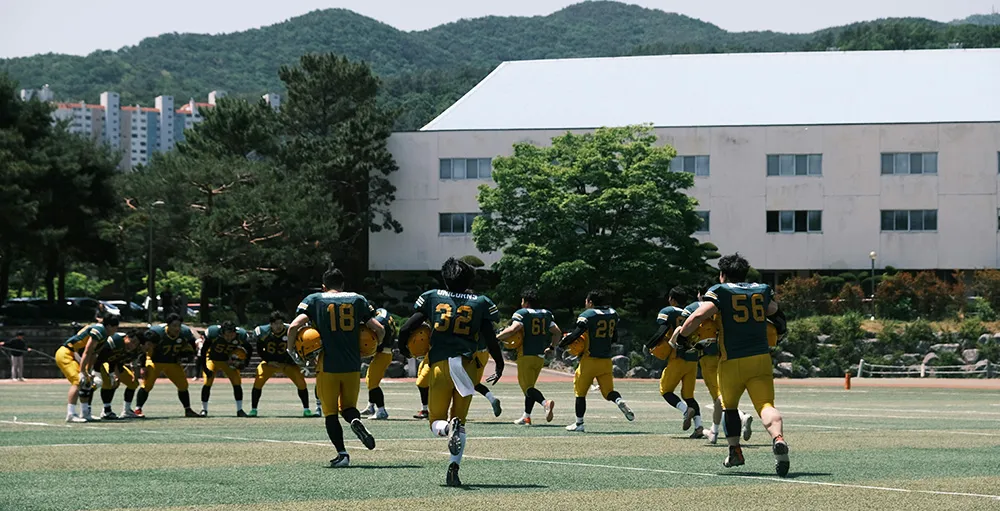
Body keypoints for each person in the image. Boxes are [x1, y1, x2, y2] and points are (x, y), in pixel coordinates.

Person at [671, 253, 789, 477]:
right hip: (760, 358)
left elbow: (699, 315)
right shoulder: (761, 289)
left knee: (730, 408)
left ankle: (735, 451)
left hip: (731, 360)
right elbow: (776, 312)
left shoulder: (720, 290)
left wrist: (683, 336)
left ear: (723, 274)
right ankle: (778, 438)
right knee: (765, 405)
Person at [397, 258, 503, 487]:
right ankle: (454, 468)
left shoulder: (433, 297)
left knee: (435, 420)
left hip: (439, 365)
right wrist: (500, 363)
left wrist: (403, 347)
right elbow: (491, 338)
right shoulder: (480, 301)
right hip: (466, 367)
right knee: (461, 421)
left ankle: (446, 428)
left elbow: (406, 327)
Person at [286, 266, 383, 468]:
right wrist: (374, 348)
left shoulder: (315, 299)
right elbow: (379, 328)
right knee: (348, 408)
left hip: (327, 364)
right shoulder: (357, 299)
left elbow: (295, 326)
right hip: (352, 364)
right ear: (343, 285)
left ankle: (342, 454)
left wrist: (291, 350)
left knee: (330, 413)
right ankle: (355, 421)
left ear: (324, 286)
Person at [559, 290, 635, 432]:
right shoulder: (612, 313)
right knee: (608, 392)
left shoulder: (588, 315)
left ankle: (579, 423)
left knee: (580, 393)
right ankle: (619, 401)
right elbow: (614, 338)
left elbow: (576, 334)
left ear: (591, 302)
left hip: (589, 361)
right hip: (606, 361)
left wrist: (562, 343)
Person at [685, 288, 753, 445]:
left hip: (707, 356)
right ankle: (714, 432)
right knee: (722, 394)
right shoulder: (721, 307)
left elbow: (686, 324)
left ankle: (742, 416)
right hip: (723, 354)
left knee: (718, 396)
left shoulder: (696, 307)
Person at [496, 288, 561, 426]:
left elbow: (514, 329)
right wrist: (552, 347)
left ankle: (545, 403)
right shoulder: (546, 313)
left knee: (527, 388)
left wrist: (496, 338)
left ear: (526, 302)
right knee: (530, 387)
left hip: (526, 354)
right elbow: (557, 332)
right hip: (540, 356)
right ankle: (526, 416)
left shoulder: (523, 313)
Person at [645, 286, 704, 437]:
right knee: (689, 395)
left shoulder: (668, 311)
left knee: (666, 390)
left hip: (676, 357)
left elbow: (662, 330)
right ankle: (699, 427)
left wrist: (649, 344)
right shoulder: (693, 311)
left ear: (672, 299)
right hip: (692, 358)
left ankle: (685, 411)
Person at [135, 313, 201, 418]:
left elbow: (191, 346)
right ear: (168, 325)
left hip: (172, 362)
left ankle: (187, 409)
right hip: (154, 360)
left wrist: (186, 355)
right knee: (147, 385)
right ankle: (138, 409)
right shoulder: (157, 332)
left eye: (179, 325)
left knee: (183, 385)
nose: (177, 328)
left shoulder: (184, 333)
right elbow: (145, 348)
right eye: (174, 326)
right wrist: (143, 365)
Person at [250, 311, 313, 417]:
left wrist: (295, 361)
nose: (278, 326)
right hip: (270, 363)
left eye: (280, 323)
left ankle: (306, 409)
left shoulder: (291, 330)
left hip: (288, 363)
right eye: (275, 323)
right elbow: (260, 349)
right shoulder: (263, 332)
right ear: (271, 324)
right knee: (258, 380)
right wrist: (268, 360)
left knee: (301, 383)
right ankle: (254, 409)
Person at [56, 315, 119, 422]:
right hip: (67, 353)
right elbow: (87, 351)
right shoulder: (99, 330)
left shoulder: (104, 335)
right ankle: (70, 414)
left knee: (87, 382)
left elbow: (94, 354)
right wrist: (82, 371)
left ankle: (85, 413)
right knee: (78, 381)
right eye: (115, 327)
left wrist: (88, 371)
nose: (116, 330)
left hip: (75, 356)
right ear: (108, 326)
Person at [84, 328, 143, 420]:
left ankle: (126, 411)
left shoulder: (137, 349)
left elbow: (131, 362)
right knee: (103, 383)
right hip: (99, 363)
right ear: (126, 337)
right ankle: (96, 411)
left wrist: (134, 375)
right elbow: (95, 354)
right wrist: (89, 370)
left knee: (133, 383)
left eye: (136, 344)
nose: (133, 345)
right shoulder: (115, 340)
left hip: (115, 365)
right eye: (133, 341)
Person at [199, 321, 253, 417]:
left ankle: (240, 410)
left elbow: (249, 349)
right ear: (222, 333)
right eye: (227, 335)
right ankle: (204, 409)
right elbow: (203, 352)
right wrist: (205, 369)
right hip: (212, 359)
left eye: (231, 335)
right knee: (207, 382)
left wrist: (245, 363)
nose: (229, 337)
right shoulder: (213, 333)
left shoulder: (241, 335)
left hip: (228, 361)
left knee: (237, 382)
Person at [361, 307, 397, 420]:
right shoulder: (382, 312)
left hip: (383, 353)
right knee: (369, 379)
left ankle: (381, 410)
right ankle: (370, 406)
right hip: (385, 352)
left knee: (372, 383)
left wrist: (378, 343)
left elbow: (380, 329)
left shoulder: (379, 321)